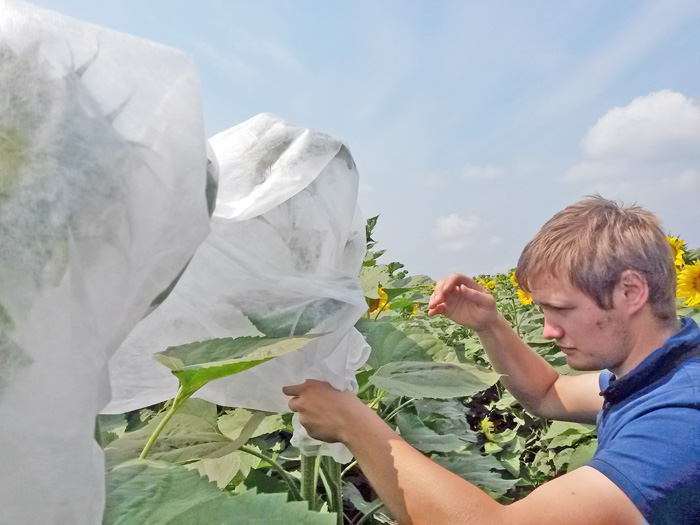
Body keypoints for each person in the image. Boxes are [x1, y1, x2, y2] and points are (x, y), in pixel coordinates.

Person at [283, 195, 700, 525]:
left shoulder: (679, 426)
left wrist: (352, 423)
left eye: (562, 309)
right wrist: (490, 324)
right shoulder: (663, 369)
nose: (551, 331)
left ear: (630, 292)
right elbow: (549, 394)